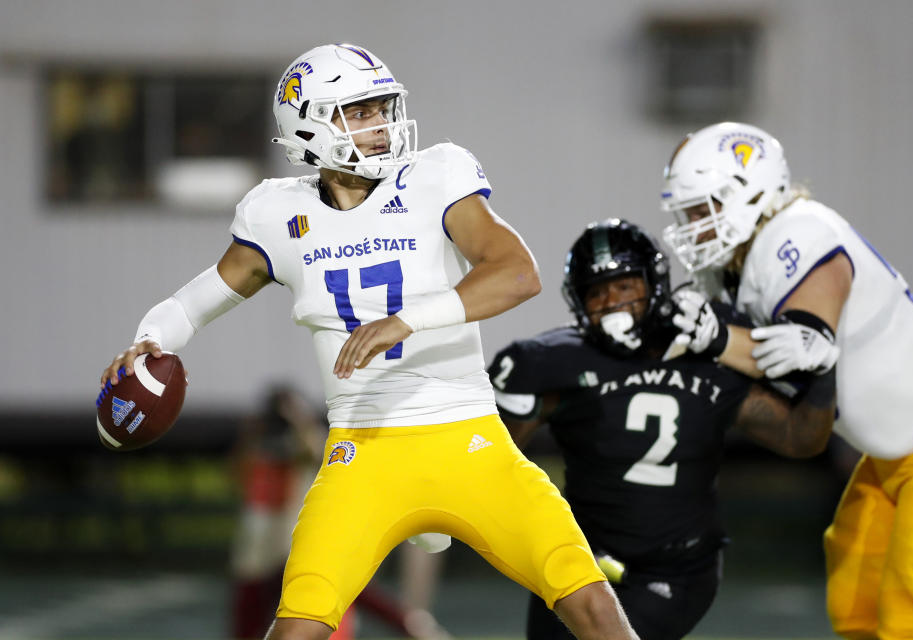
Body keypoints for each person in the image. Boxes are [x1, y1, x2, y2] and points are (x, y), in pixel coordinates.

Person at [100, 43, 641, 640]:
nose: (379, 124)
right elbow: (195, 302)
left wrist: (411, 319)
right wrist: (149, 339)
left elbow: (517, 272)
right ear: (309, 124)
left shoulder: (437, 176)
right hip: (363, 453)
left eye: (382, 107)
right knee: (298, 627)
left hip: (470, 440)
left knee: (590, 602)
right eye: (358, 112)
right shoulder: (277, 215)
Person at [660, 121, 913, 640]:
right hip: (897, 454)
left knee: (910, 609)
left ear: (745, 195)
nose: (691, 226)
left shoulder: (795, 233)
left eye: (700, 210)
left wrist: (716, 338)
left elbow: (806, 342)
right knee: (855, 605)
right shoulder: (746, 259)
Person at [488, 219, 836, 640]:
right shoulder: (554, 363)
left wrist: (823, 367)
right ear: (578, 304)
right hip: (584, 559)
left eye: (624, 286)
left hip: (677, 569)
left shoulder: (707, 350)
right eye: (596, 293)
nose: (612, 303)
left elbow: (800, 438)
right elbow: (493, 460)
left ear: (654, 284)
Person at [230, 386, 327, 640]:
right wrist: (251, 436)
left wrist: (301, 422)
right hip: (261, 540)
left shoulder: (305, 442)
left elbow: (317, 453)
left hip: (291, 540)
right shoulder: (257, 444)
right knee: (250, 613)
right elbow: (238, 475)